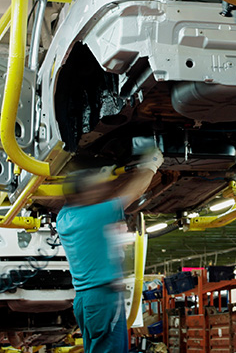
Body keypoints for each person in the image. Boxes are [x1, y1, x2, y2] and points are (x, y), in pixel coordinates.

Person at [56, 147, 161, 353]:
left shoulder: (64, 218)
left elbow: (77, 197)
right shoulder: (97, 215)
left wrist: (97, 179)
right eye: (94, 190)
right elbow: (134, 192)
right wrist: (151, 165)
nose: (101, 192)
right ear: (84, 195)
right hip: (103, 299)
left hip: (85, 300)